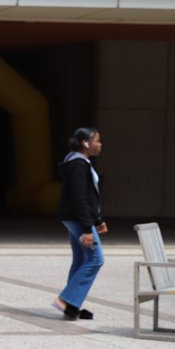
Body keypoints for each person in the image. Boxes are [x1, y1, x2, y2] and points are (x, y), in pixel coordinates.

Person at [54, 127, 105, 321]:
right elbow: (79, 198)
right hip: (78, 220)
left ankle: (72, 307)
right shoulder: (78, 163)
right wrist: (87, 228)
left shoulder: (77, 161)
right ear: (85, 143)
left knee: (81, 259)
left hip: (76, 218)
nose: (100, 144)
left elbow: (88, 196)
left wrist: (97, 220)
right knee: (95, 259)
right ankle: (65, 299)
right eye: (97, 140)